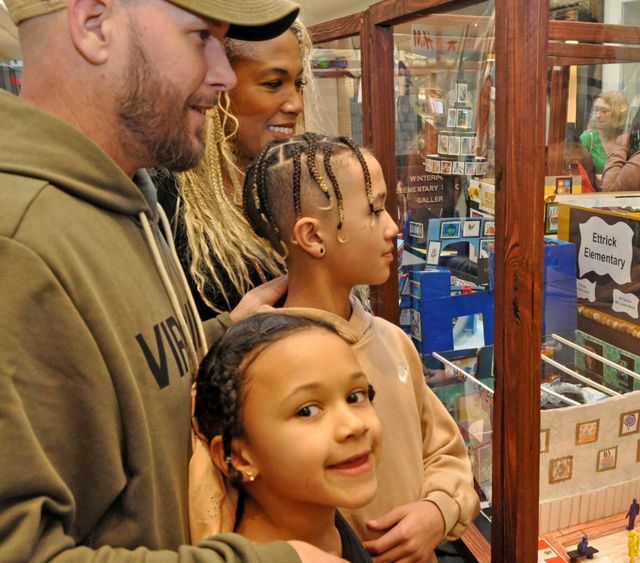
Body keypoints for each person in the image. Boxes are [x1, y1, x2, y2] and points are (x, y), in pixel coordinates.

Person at [0, 0, 345, 561]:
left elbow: (126, 385)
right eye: (198, 37)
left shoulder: (126, 199)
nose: (224, 74)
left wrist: (222, 337)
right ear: (93, 26)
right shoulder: (16, 241)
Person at [237, 133, 479, 561]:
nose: (392, 227)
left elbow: (443, 449)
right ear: (312, 236)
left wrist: (437, 511)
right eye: (374, 209)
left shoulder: (393, 341)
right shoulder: (259, 363)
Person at [157, 20, 313, 319]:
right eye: (273, 84)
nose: (295, 104)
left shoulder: (304, 185)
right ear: (216, 83)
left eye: (299, 84)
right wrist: (232, 328)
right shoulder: (165, 199)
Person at [195, 312, 380, 561]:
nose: (354, 425)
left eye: (355, 396)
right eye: (307, 411)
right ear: (238, 456)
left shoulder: (326, 527)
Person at [580, 90, 628, 174]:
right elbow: (580, 175)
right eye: (596, 110)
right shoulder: (587, 139)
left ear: (617, 114)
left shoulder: (627, 140)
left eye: (604, 111)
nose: (598, 115)